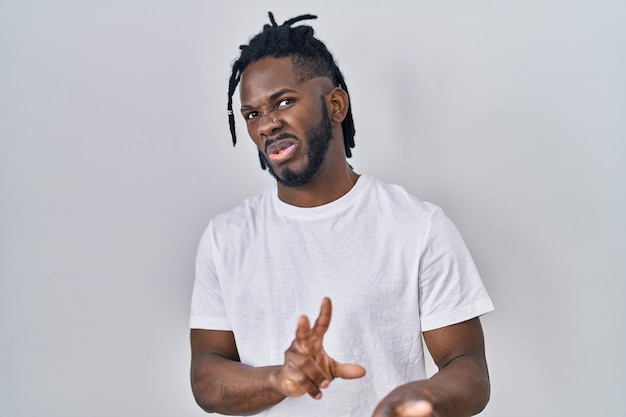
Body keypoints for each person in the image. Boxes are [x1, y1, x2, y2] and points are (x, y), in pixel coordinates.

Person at [189, 12, 494, 417]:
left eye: (283, 101)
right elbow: (206, 378)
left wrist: (423, 397)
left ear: (335, 104)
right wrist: (278, 379)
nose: (267, 124)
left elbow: (467, 365)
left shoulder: (417, 226)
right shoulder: (225, 237)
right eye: (252, 114)